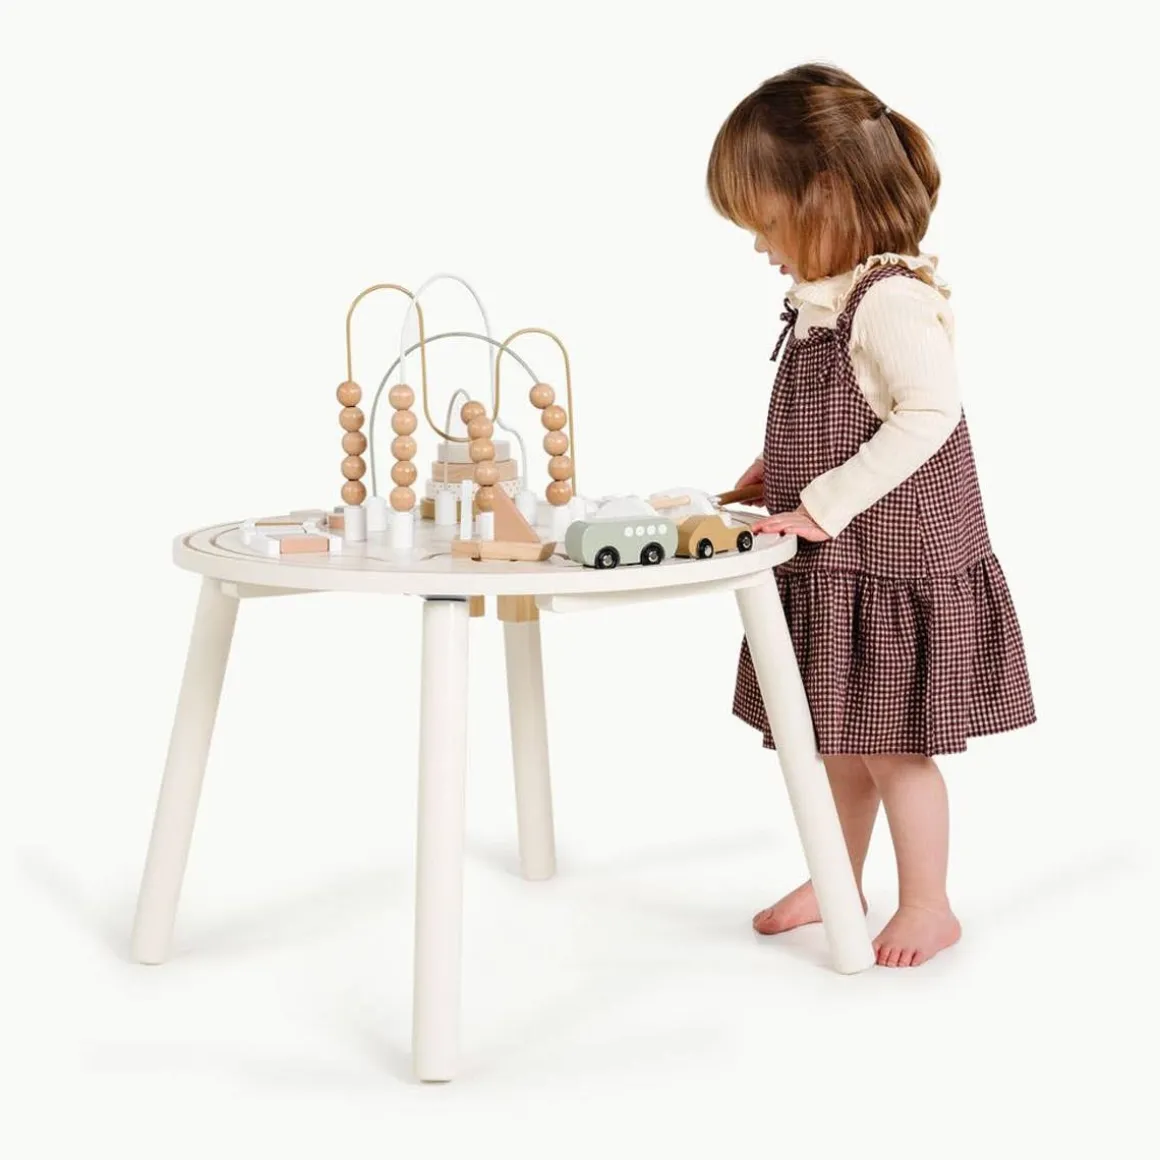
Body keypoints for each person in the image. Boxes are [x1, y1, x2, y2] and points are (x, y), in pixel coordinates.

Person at [707, 63, 1036, 967]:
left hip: (892, 563)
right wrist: (780, 471)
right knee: (837, 742)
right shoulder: (825, 301)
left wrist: (820, 504)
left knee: (894, 750)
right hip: (838, 558)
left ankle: (929, 902)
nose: (760, 246)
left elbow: (927, 415)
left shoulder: (889, 298)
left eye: (766, 222)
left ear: (827, 195)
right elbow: (848, 413)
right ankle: (836, 877)